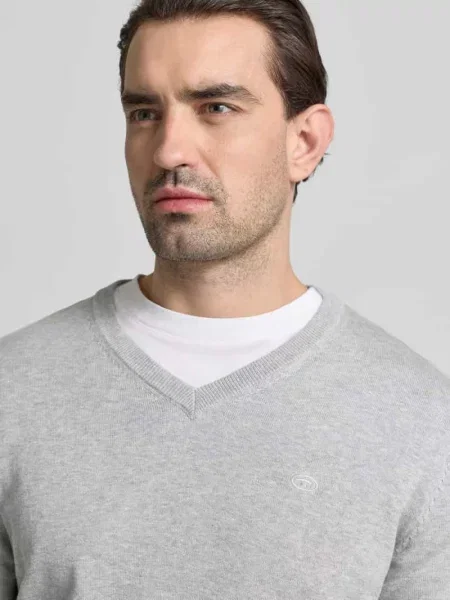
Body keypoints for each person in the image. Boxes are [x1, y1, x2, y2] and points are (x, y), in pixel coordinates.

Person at [1, 1, 449, 598]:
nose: (168, 151)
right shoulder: (13, 390)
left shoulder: (421, 422)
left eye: (216, 107)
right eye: (144, 113)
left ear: (305, 142)